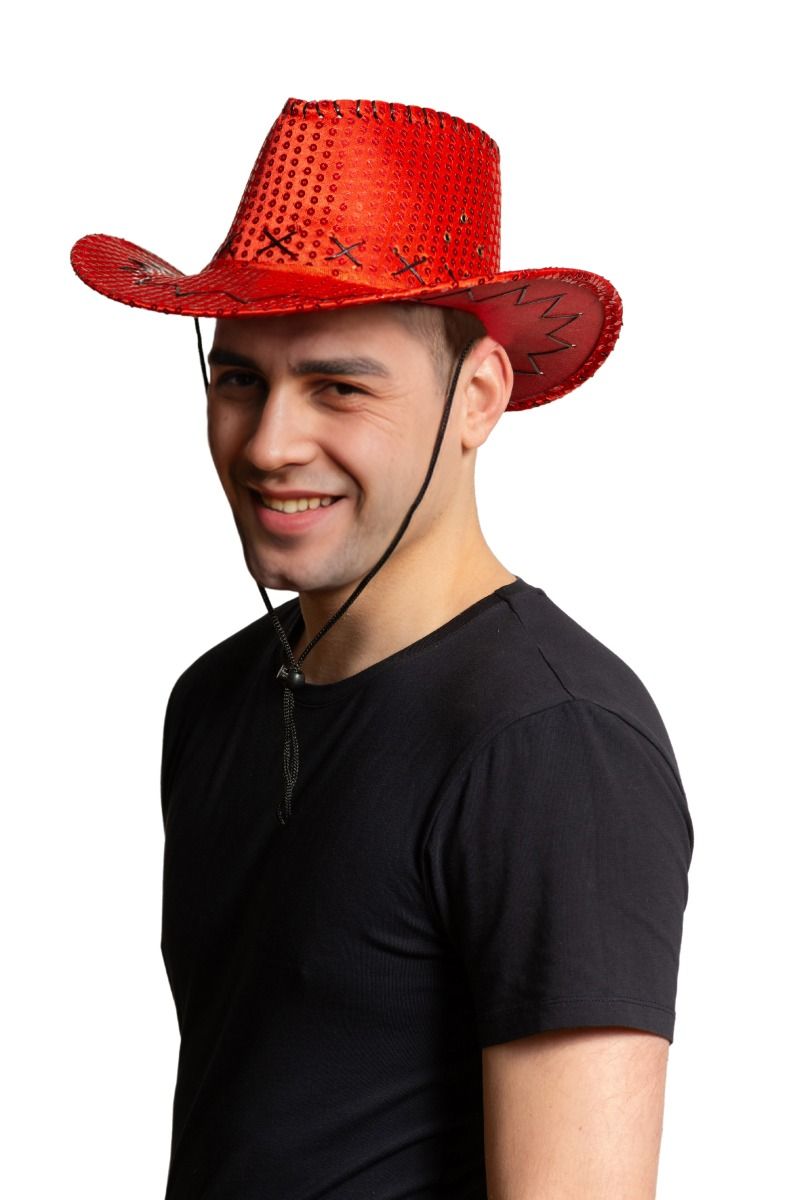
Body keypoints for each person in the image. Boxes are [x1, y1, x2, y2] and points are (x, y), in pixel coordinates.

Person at [71, 96, 694, 1200]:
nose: (270, 444)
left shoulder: (551, 746)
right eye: (240, 379)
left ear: (477, 398)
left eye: (339, 387)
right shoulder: (217, 695)